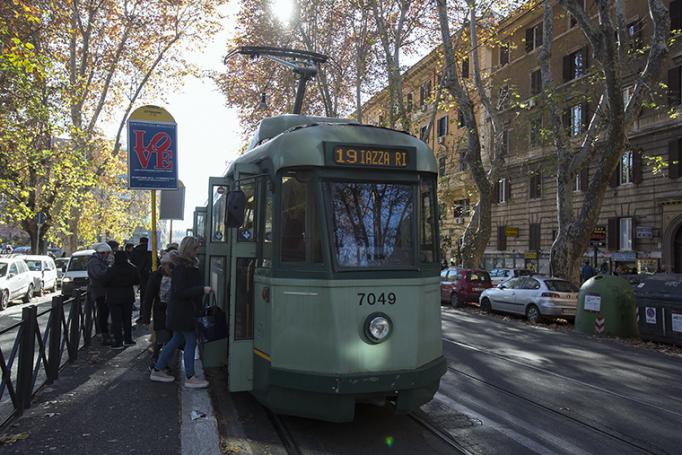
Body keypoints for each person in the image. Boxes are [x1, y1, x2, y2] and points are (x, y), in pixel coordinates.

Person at [150, 236, 210, 388]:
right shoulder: (182, 268)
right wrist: (202, 289)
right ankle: (190, 377)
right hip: (184, 312)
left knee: (176, 340)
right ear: (188, 249)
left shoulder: (181, 266)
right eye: (195, 248)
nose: (197, 251)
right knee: (190, 341)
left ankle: (157, 369)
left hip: (180, 311)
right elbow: (179, 292)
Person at [141, 251, 176, 366]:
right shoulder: (156, 276)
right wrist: (146, 318)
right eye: (170, 265)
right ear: (164, 264)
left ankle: (163, 363)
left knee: (170, 338)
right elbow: (148, 297)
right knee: (162, 337)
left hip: (174, 312)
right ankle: (157, 362)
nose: (171, 269)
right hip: (160, 311)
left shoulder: (176, 275)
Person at [105, 251, 139, 348]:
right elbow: (137, 280)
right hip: (127, 295)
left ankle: (118, 342)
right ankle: (128, 339)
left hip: (113, 296)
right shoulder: (132, 268)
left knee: (116, 321)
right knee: (127, 319)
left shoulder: (112, 269)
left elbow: (105, 281)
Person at [88, 242, 113, 345]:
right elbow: (99, 275)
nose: (108, 255)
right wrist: (109, 269)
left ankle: (104, 333)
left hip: (103, 291)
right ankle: (103, 334)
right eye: (107, 253)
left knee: (104, 312)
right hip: (99, 291)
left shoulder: (100, 261)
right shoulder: (94, 262)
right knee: (102, 312)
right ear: (102, 253)